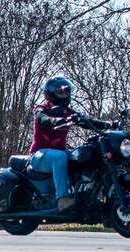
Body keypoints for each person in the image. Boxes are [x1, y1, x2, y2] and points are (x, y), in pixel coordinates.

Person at [28, 75, 113, 209]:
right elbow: (42, 119)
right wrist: (54, 121)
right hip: (39, 155)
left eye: (66, 91)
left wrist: (108, 125)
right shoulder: (42, 109)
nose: (64, 94)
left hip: (59, 152)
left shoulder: (68, 112)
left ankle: (87, 196)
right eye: (60, 92)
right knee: (59, 157)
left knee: (83, 156)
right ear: (50, 94)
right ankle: (62, 199)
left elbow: (87, 121)